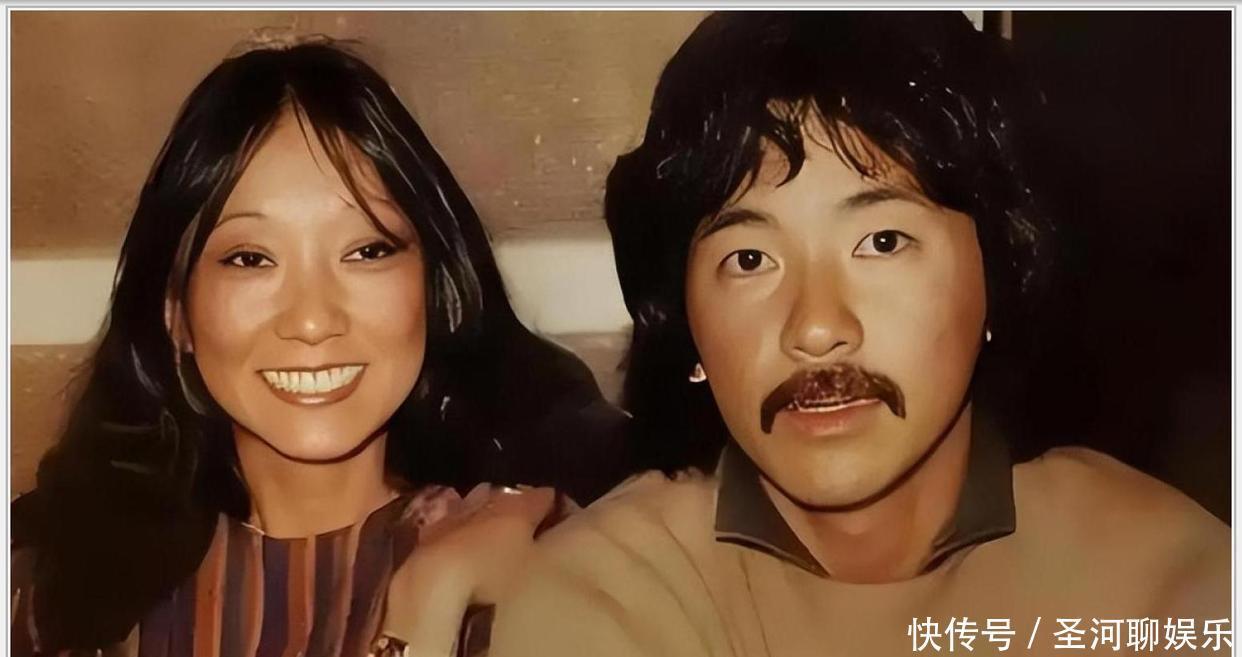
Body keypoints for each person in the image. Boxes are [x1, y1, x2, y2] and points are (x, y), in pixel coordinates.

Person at [490, 12, 1231, 657]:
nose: (817, 328)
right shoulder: (609, 594)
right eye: (749, 260)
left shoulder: (1161, 582)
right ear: (686, 326)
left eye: (881, 242)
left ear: (1000, 274)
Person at [11, 36, 630, 657]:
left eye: (367, 251)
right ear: (175, 311)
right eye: (250, 258)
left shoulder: (545, 560)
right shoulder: (46, 586)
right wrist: (424, 611)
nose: (312, 321)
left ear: (435, 288)